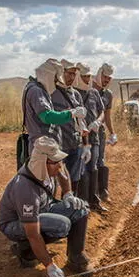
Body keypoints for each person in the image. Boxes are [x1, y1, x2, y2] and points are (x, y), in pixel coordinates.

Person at [0, 137, 92, 277]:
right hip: (16, 224)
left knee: (81, 208)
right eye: (55, 162)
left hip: (42, 210)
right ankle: (25, 250)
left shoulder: (48, 168)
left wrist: (68, 194)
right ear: (42, 162)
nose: (59, 166)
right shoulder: (25, 188)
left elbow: (63, 171)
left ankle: (76, 258)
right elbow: (33, 234)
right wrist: (50, 266)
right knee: (62, 225)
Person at [21, 59, 86, 155]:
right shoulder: (36, 91)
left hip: (45, 145)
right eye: (55, 79)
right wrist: (71, 113)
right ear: (48, 75)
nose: (55, 82)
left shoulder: (37, 89)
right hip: (42, 147)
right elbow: (47, 117)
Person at [51, 59, 90, 195]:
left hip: (75, 144)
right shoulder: (52, 94)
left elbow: (81, 122)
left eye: (74, 74)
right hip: (58, 145)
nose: (72, 77)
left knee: (74, 180)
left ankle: (71, 211)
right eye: (69, 73)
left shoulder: (76, 94)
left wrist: (86, 145)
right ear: (61, 72)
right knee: (55, 182)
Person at [74, 62, 108, 213]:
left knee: (93, 168)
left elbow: (102, 111)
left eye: (89, 76)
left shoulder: (94, 93)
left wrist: (98, 122)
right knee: (81, 171)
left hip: (94, 138)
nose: (87, 79)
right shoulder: (73, 93)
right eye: (84, 76)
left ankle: (94, 201)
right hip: (78, 140)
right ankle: (82, 203)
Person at [92, 63, 116, 203]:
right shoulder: (88, 90)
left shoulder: (108, 95)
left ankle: (103, 191)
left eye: (109, 78)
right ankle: (92, 193)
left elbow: (107, 116)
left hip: (100, 132)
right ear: (99, 74)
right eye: (104, 77)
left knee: (101, 160)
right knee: (91, 162)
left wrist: (112, 133)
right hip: (88, 131)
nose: (106, 80)